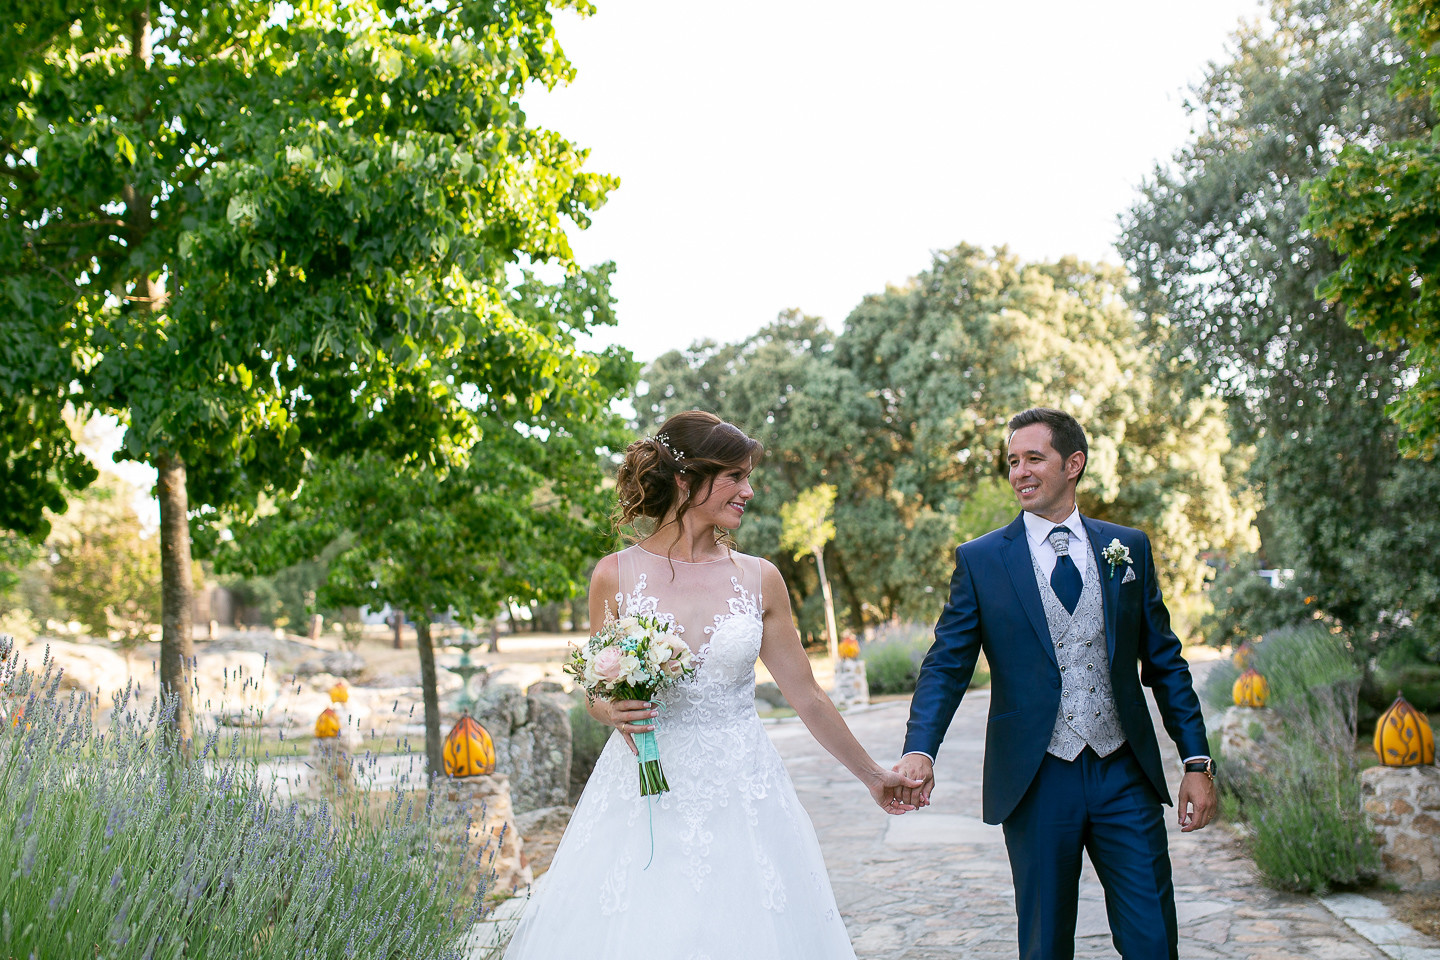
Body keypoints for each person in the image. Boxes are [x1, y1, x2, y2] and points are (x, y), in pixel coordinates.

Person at [504, 410, 920, 959]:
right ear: (685, 479)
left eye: (748, 477)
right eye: (735, 476)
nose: (749, 490)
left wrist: (873, 775)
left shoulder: (759, 578)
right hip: (644, 796)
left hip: (742, 795)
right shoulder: (615, 574)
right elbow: (596, 692)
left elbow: (809, 696)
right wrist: (608, 711)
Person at [894, 407, 1217, 960]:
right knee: (1044, 945)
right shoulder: (981, 561)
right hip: (1037, 778)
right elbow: (947, 664)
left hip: (1125, 773)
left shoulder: (1127, 548)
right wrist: (920, 747)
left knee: (1154, 939)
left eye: (1033, 459)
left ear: (1074, 464)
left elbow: (1165, 662)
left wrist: (1196, 762)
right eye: (1012, 461)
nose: (1019, 472)